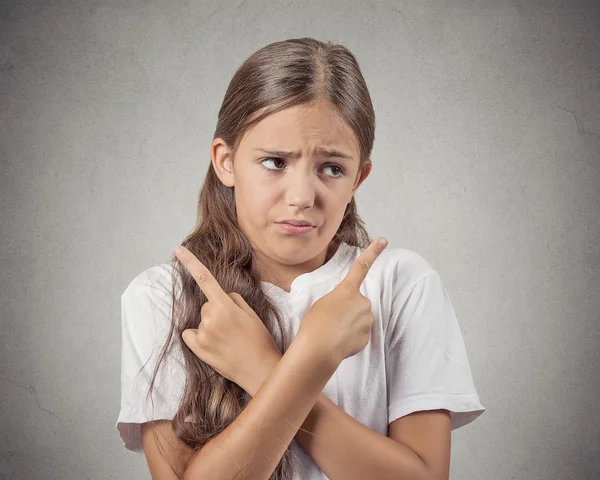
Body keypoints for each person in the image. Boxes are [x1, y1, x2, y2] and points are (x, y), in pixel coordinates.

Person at [116, 37, 485, 479]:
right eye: (275, 162)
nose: (302, 197)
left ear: (358, 179)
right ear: (226, 161)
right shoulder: (161, 297)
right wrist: (309, 361)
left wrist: (263, 367)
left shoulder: (403, 284)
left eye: (332, 168)